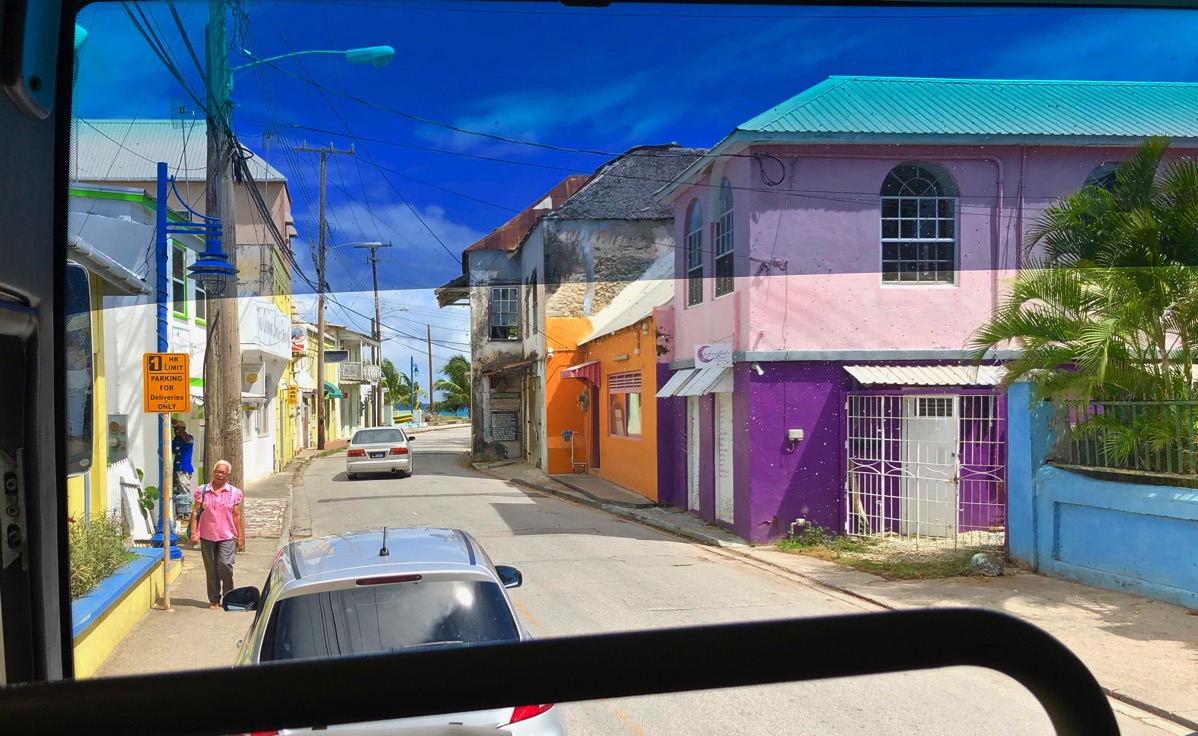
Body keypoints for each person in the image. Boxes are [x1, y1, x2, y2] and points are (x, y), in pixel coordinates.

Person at [188, 459, 245, 610]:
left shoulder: (234, 493)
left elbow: (237, 515)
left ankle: (228, 592)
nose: (220, 475)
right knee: (211, 568)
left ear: (228, 475)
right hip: (207, 534)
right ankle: (214, 599)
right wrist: (194, 533)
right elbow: (195, 512)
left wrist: (240, 538)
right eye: (218, 471)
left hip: (227, 535)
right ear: (213, 472)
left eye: (223, 473)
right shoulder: (203, 490)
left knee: (225, 564)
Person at [171, 420, 194, 520]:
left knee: (184, 491)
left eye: (178, 429)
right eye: (175, 429)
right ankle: (179, 513)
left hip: (184, 469)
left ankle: (186, 514)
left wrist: (179, 427)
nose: (176, 431)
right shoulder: (175, 440)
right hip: (176, 469)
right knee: (176, 492)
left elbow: (187, 440)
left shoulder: (189, 438)